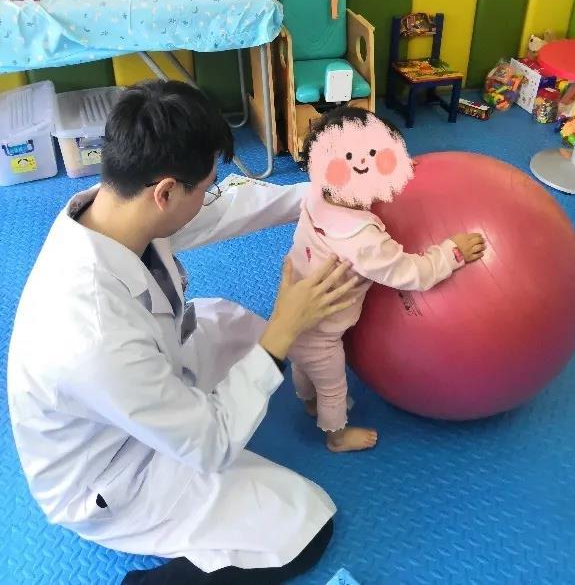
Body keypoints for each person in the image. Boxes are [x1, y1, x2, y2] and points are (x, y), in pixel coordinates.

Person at [7, 81, 368, 584]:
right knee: (303, 524)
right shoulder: (92, 332)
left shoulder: (110, 211)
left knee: (231, 323)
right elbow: (210, 443)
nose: (209, 196)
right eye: (203, 186)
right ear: (165, 193)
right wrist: (285, 328)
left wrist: (330, 196)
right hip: (114, 475)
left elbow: (225, 208)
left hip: (132, 392)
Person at [287, 107, 486, 453]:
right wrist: (452, 252)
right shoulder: (363, 240)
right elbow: (413, 273)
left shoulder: (318, 193)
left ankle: (308, 401)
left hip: (290, 310)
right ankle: (336, 436)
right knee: (333, 385)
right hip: (320, 332)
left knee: (301, 363)